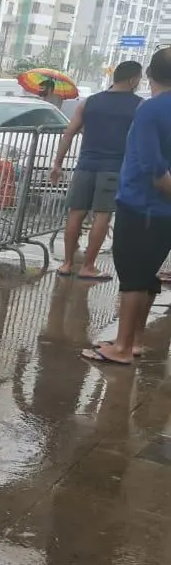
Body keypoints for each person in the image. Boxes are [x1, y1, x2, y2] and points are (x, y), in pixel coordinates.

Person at [83, 48, 171, 367]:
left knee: (133, 276)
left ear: (148, 74)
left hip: (142, 205)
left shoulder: (150, 110)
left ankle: (121, 347)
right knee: (147, 275)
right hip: (162, 214)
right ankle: (135, 341)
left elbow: (154, 169)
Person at [50, 61, 143, 281]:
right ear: (133, 79)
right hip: (114, 168)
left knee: (75, 213)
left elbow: (68, 134)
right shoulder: (139, 105)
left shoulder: (89, 102)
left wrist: (57, 164)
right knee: (102, 215)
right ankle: (88, 266)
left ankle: (67, 263)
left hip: (85, 166)